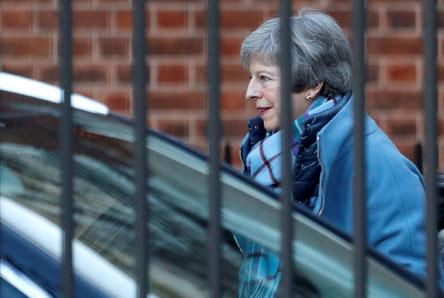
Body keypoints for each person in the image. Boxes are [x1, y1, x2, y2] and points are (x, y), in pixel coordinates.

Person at [235, 8, 443, 297]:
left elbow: (411, 284)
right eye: (251, 77)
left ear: (311, 84)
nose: (250, 92)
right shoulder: (270, 157)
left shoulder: (377, 165)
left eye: (264, 78)